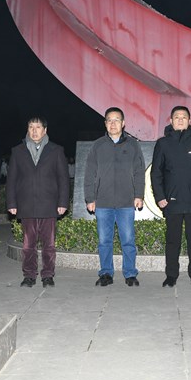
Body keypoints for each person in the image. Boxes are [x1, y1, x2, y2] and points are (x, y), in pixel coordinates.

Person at [151, 106, 191, 288]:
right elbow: (156, 173)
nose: (180, 119)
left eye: (184, 117)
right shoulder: (163, 143)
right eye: (176, 117)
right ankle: (171, 275)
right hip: (171, 201)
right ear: (171, 121)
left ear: (189, 120)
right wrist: (160, 196)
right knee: (172, 241)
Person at [84, 107, 145, 287]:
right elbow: (89, 174)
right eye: (109, 120)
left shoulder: (133, 145)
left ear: (123, 123)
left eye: (116, 120)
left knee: (128, 241)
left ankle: (130, 274)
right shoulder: (98, 146)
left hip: (126, 202)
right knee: (104, 241)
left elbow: (139, 171)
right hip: (103, 203)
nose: (113, 123)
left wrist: (139, 195)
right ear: (105, 124)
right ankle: (106, 273)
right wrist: (90, 198)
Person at [6, 117, 70, 288]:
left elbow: (63, 179)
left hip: (49, 205)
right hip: (26, 204)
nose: (34, 131)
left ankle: (48, 275)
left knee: (49, 245)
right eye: (31, 127)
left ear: (45, 130)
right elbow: (12, 179)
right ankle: (29, 275)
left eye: (38, 127)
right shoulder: (18, 151)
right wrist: (11, 203)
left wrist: (63, 202)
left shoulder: (56, 150)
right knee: (28, 245)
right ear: (27, 130)